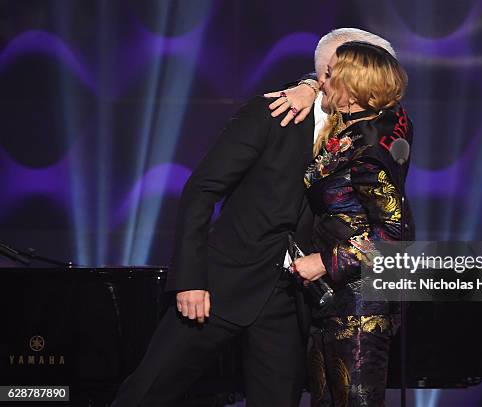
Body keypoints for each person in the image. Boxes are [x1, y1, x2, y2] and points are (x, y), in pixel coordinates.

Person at [111, 97, 315, 405]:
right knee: (147, 392)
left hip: (288, 296)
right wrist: (190, 277)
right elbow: (202, 190)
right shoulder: (275, 111)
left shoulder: (362, 129)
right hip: (218, 285)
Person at [278, 41, 414, 406]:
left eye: (329, 75)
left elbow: (394, 234)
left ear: (352, 88)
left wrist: (324, 262)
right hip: (333, 300)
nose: (322, 81)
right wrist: (309, 85)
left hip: (358, 307)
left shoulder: (369, 148)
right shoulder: (367, 123)